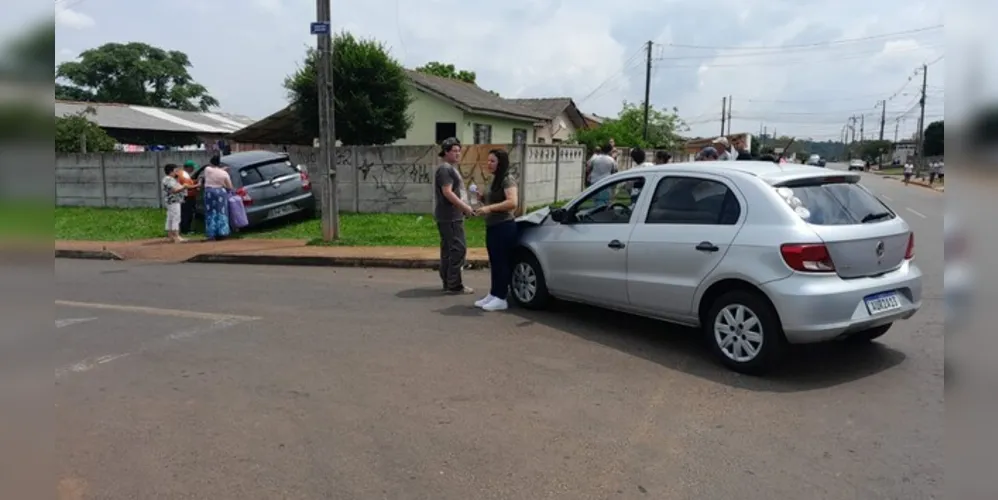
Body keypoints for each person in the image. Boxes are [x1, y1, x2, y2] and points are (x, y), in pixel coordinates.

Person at [473, 149, 519, 311]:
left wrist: (489, 208)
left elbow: (512, 202)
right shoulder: (493, 180)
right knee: (495, 261)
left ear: (501, 163)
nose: (489, 164)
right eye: (488, 161)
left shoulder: (508, 180)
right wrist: (481, 198)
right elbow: (493, 198)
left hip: (504, 226)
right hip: (492, 226)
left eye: (492, 161)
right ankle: (493, 293)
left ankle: (501, 297)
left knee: (502, 262)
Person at [434, 137, 475, 294]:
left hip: (450, 216)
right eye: (454, 151)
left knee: (449, 249)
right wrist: (465, 207)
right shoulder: (445, 169)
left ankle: (447, 282)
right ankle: (454, 285)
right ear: (445, 152)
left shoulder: (450, 168)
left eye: (459, 151)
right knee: (458, 249)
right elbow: (447, 192)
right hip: (450, 216)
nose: (458, 154)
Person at [201, 155, 234, 240]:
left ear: (211, 162)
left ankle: (211, 234)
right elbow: (230, 187)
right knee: (222, 212)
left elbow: (213, 171)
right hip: (221, 192)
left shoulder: (207, 170)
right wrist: (223, 170)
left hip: (210, 192)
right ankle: (222, 233)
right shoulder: (224, 173)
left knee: (210, 212)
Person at [161, 163, 188, 243]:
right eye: (175, 170)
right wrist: (184, 187)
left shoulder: (169, 179)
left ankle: (170, 236)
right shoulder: (169, 179)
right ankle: (176, 236)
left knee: (170, 217)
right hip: (173, 200)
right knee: (176, 217)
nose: (177, 172)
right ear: (171, 171)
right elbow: (174, 190)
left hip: (171, 201)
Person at [178, 160, 199, 234]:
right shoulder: (184, 175)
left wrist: (195, 182)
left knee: (184, 213)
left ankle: (184, 229)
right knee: (187, 214)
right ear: (188, 167)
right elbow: (187, 186)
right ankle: (186, 230)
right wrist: (197, 185)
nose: (193, 169)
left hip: (185, 196)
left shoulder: (182, 173)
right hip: (187, 197)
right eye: (192, 167)